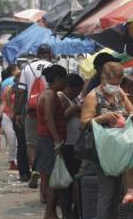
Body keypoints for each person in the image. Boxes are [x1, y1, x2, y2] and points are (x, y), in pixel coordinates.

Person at [81, 62, 133, 219]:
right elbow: (83, 124)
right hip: (103, 151)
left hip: (120, 149)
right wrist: (101, 118)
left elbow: (132, 111)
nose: (115, 86)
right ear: (103, 78)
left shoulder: (119, 93)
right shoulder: (93, 96)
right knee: (107, 192)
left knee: (118, 191)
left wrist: (128, 116)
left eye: (118, 83)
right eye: (112, 83)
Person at [15, 44, 53, 189]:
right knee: (48, 142)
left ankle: (35, 170)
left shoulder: (27, 68)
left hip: (31, 111)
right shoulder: (53, 66)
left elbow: (21, 92)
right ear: (49, 53)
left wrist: (17, 112)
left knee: (31, 144)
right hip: (49, 110)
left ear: (37, 54)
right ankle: (44, 173)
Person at [36, 65, 67, 219]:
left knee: (51, 177)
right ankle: (49, 212)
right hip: (48, 140)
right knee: (51, 178)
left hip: (48, 138)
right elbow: (48, 118)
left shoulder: (50, 94)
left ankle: (51, 211)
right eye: (64, 79)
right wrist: (57, 140)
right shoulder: (50, 95)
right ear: (58, 79)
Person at [57, 73, 84, 219]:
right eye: (76, 90)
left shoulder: (73, 98)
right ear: (69, 87)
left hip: (75, 143)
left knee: (74, 179)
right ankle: (66, 212)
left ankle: (72, 212)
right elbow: (61, 117)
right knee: (67, 181)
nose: (78, 93)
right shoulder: (61, 97)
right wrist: (75, 109)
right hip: (67, 144)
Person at [0, 66, 21, 171]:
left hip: (19, 117)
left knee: (19, 140)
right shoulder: (7, 89)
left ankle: (18, 161)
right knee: (12, 139)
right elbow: (3, 104)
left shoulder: (25, 89)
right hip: (7, 117)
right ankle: (12, 161)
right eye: (18, 77)